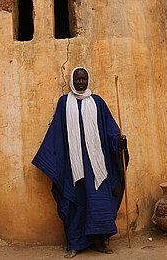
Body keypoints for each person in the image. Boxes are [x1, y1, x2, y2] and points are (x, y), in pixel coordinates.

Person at [32, 67, 128, 258]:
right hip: (73, 165)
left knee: (99, 203)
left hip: (97, 166)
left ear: (88, 80)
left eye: (84, 79)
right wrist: (50, 159)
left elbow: (110, 129)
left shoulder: (98, 102)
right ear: (72, 81)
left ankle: (100, 242)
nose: (81, 82)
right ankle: (75, 244)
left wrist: (118, 142)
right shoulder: (64, 103)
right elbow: (57, 133)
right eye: (78, 79)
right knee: (75, 203)